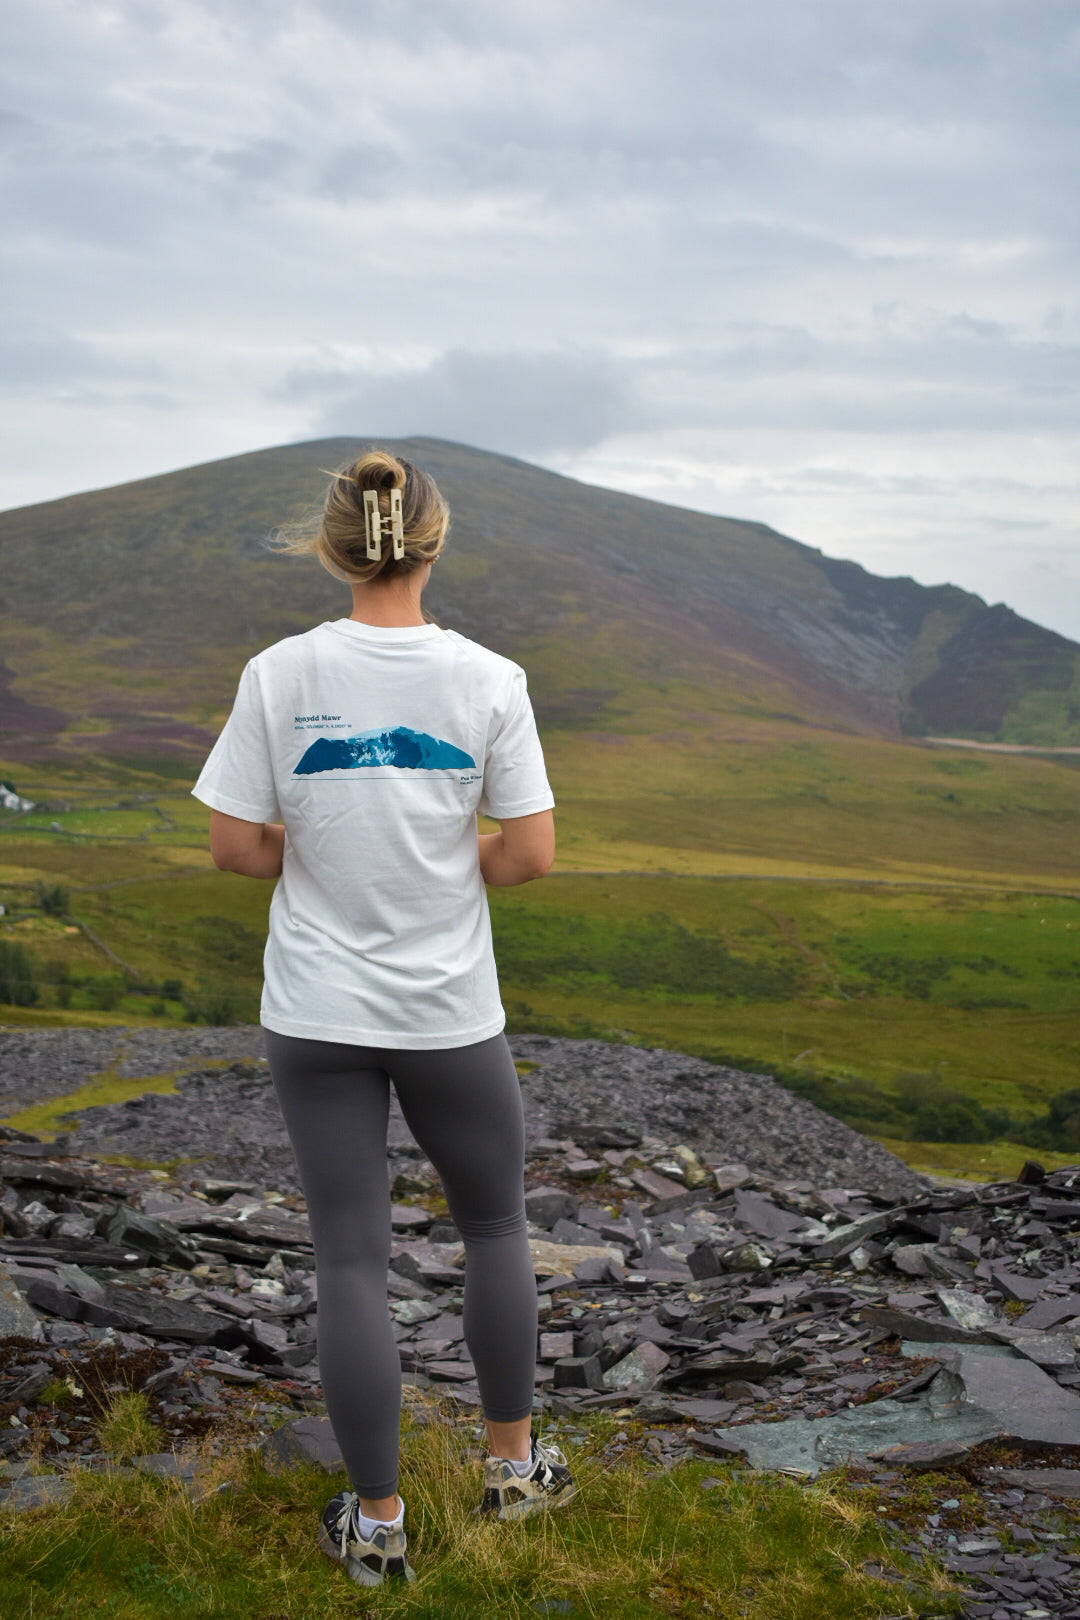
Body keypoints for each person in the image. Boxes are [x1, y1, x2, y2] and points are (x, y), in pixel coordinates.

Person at [191, 448, 575, 1586]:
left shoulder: (277, 673)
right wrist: (450, 850)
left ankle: (376, 1524)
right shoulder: (489, 680)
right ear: (434, 540)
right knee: (495, 1230)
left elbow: (233, 847)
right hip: (449, 1009)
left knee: (350, 1260)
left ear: (333, 546)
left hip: (315, 1008)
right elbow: (533, 859)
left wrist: (317, 843)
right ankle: (512, 1472)